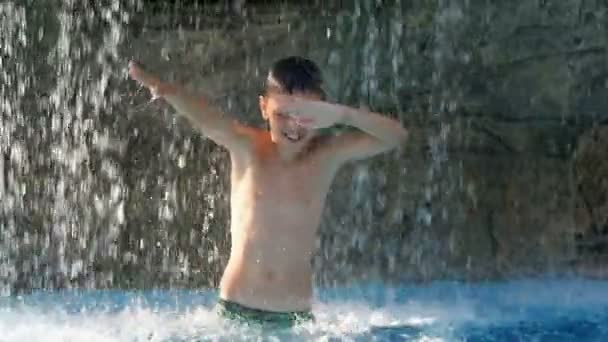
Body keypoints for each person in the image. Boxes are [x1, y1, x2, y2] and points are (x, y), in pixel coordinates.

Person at [128, 56, 408, 327]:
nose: (294, 126)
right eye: (282, 114)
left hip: (296, 320)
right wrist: (164, 90)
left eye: (306, 115)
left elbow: (396, 137)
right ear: (263, 108)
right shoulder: (247, 148)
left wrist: (343, 114)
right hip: (235, 312)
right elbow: (207, 118)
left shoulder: (327, 155)